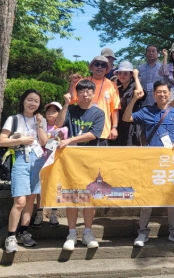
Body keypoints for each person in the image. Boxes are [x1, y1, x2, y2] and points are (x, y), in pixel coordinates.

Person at [122, 80, 174, 247]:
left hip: (169, 162)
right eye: (159, 92)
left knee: (172, 198)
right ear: (154, 94)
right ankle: (142, 233)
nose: (162, 94)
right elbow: (126, 117)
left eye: (165, 92)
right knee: (148, 199)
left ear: (169, 94)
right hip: (150, 162)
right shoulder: (146, 111)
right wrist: (134, 99)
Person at [56, 80, 106, 251]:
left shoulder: (98, 113)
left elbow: (93, 134)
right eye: (82, 91)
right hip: (70, 160)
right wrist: (65, 104)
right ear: (77, 94)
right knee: (71, 195)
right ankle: (71, 233)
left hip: (90, 160)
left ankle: (87, 232)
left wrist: (70, 140)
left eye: (88, 91)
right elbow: (58, 124)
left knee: (89, 197)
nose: (85, 94)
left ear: (93, 93)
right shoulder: (71, 110)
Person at [0, 89, 48, 253]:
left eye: (36, 101)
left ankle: (23, 232)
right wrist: (21, 140)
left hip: (38, 160)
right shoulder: (13, 119)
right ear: (23, 100)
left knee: (30, 200)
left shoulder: (40, 120)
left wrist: (40, 124)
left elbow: (44, 142)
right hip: (20, 159)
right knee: (20, 201)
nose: (33, 103)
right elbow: (1, 141)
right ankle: (11, 237)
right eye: (30, 99)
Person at [68, 55, 119, 145]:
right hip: (81, 130)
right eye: (97, 64)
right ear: (92, 67)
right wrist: (73, 84)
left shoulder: (112, 85)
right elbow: (71, 100)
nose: (100, 67)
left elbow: (115, 109)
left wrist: (114, 127)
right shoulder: (82, 82)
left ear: (107, 69)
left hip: (103, 132)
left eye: (103, 65)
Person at [32, 101, 67, 229]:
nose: (51, 113)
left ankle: (53, 214)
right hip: (41, 161)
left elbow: (64, 145)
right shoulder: (40, 126)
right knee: (40, 188)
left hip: (55, 163)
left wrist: (61, 138)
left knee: (55, 188)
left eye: (54, 111)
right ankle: (39, 214)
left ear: (59, 113)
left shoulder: (63, 129)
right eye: (49, 110)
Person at [109, 62, 146, 146]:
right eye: (120, 73)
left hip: (131, 126)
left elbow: (140, 94)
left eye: (125, 73)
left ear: (131, 74)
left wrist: (136, 77)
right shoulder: (117, 89)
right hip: (119, 126)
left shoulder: (134, 86)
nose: (122, 76)